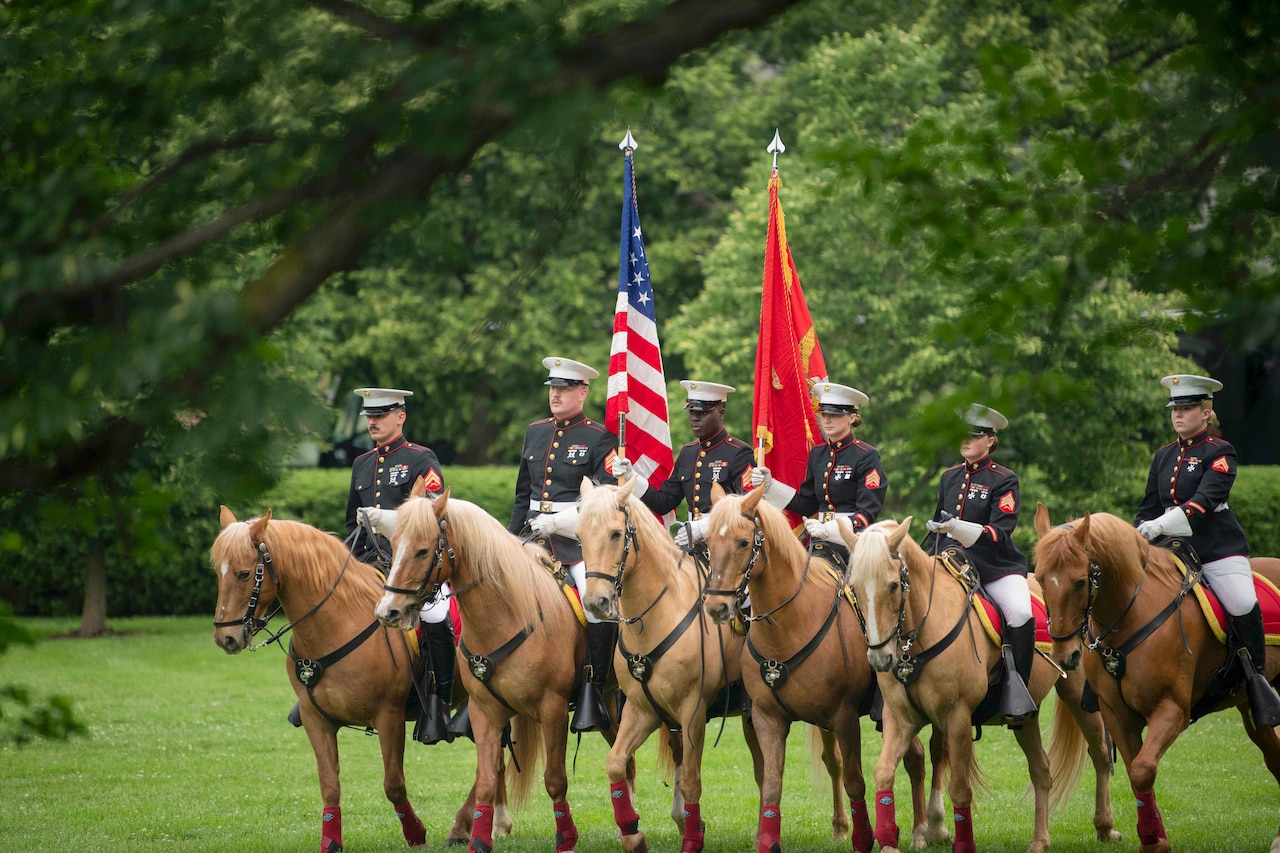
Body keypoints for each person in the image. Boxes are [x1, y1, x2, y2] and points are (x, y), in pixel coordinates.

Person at [289, 387, 455, 743]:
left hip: (409, 564)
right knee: (320, 600)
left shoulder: (420, 459)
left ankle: (439, 701)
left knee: (435, 615)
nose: (373, 422)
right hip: (366, 562)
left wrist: (386, 520)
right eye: (370, 416)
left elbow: (429, 518)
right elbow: (353, 522)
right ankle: (312, 686)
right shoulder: (362, 463)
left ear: (401, 417)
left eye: (381, 415)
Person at [1134, 374, 1280, 725]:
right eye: (1175, 409)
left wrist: (1160, 525)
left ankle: (1256, 680)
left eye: (1186, 408)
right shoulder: (1163, 456)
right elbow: (1148, 507)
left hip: (1217, 550)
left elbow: (1203, 503)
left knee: (1242, 602)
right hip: (1171, 551)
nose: (1178, 415)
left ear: (1205, 412)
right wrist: (1138, 532)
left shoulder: (1220, 452)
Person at [508, 357, 619, 732]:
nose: (555, 395)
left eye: (565, 389)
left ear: (582, 393)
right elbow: (522, 496)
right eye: (553, 388)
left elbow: (604, 502)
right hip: (531, 538)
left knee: (597, 606)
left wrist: (559, 523)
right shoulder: (535, 432)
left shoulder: (599, 438)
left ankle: (593, 692)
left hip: (576, 544)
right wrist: (511, 541)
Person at [921, 404, 1036, 722]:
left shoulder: (1004, 479)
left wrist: (957, 528)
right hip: (950, 560)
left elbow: (1000, 532)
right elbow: (938, 524)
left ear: (990, 440)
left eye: (974, 436)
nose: (966, 441)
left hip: (994, 565)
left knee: (1020, 612)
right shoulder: (949, 477)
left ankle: (1017, 690)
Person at [751, 381, 887, 562]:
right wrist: (770, 486)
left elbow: (866, 513)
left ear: (852, 417)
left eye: (835, 414)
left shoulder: (866, 455)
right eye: (824, 414)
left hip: (854, 543)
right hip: (818, 541)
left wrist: (830, 530)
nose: (827, 420)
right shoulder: (817, 454)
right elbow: (807, 504)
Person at [613, 380, 754, 552]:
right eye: (692, 411)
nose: (695, 418)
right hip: (691, 546)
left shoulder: (739, 453)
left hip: (728, 549)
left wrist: (704, 527)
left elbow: (747, 508)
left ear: (721, 413)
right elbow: (664, 502)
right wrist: (632, 478)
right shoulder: (689, 453)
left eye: (703, 412)